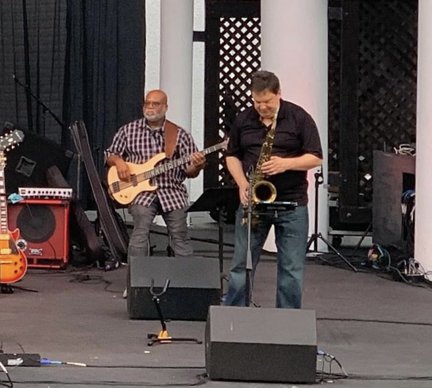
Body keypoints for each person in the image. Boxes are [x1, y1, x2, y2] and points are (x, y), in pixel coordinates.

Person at [223, 70, 323, 309]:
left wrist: (286, 163)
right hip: (253, 203)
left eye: (267, 102)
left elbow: (316, 158)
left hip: (292, 203)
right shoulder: (244, 119)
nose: (262, 107)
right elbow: (232, 155)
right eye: (257, 102)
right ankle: (234, 318)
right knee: (241, 263)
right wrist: (242, 184)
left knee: (291, 268)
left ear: (279, 94)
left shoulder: (299, 118)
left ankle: (287, 324)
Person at [105, 89, 205, 258]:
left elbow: (190, 172)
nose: (150, 107)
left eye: (156, 104)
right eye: (147, 103)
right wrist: (119, 162)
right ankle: (137, 280)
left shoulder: (180, 135)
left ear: (165, 107)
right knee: (140, 230)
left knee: (180, 235)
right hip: (141, 191)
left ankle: (185, 278)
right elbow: (110, 154)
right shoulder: (128, 131)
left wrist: (197, 166)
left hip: (171, 190)